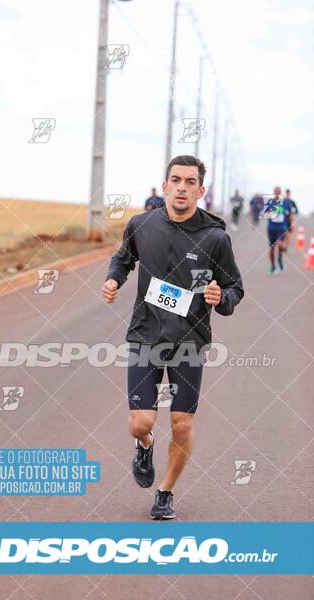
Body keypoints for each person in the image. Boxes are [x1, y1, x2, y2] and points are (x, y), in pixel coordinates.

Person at [102, 155, 244, 520]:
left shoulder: (215, 238)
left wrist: (221, 298)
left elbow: (234, 287)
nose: (182, 187)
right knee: (141, 422)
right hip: (146, 335)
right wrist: (113, 279)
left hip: (190, 340)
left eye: (190, 182)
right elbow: (123, 258)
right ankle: (144, 445)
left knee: (181, 422)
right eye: (176, 180)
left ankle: (165, 492)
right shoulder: (141, 224)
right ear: (165, 186)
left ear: (201, 190)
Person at [263, 186, 292, 274]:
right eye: (275, 191)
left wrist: (290, 225)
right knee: (271, 248)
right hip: (271, 228)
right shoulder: (269, 202)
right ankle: (273, 266)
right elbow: (265, 214)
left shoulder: (286, 202)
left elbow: (289, 214)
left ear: (280, 192)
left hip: (281, 228)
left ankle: (279, 259)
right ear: (274, 192)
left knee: (280, 245)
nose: (277, 193)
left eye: (278, 192)